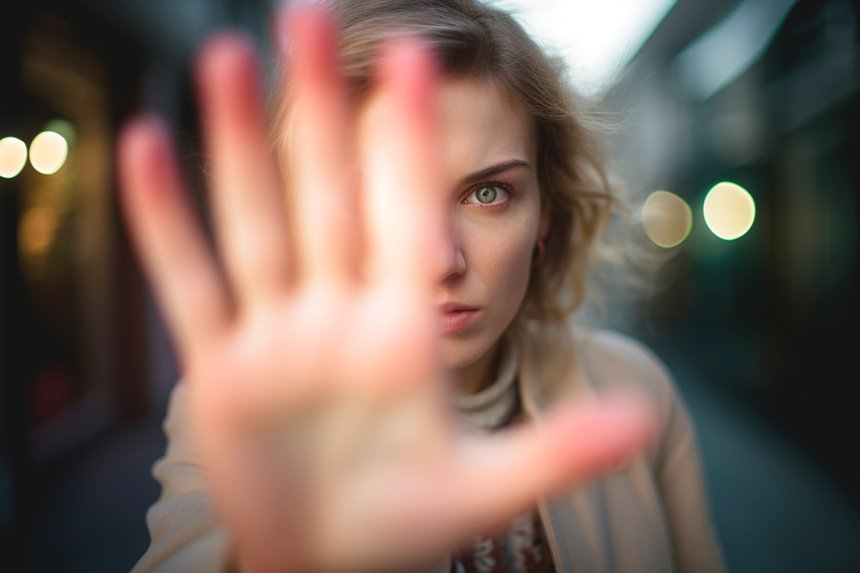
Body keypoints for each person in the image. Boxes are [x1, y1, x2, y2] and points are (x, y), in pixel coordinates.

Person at [119, 0, 726, 571]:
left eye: (488, 193)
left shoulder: (635, 391)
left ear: (545, 210)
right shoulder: (250, 411)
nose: (439, 259)